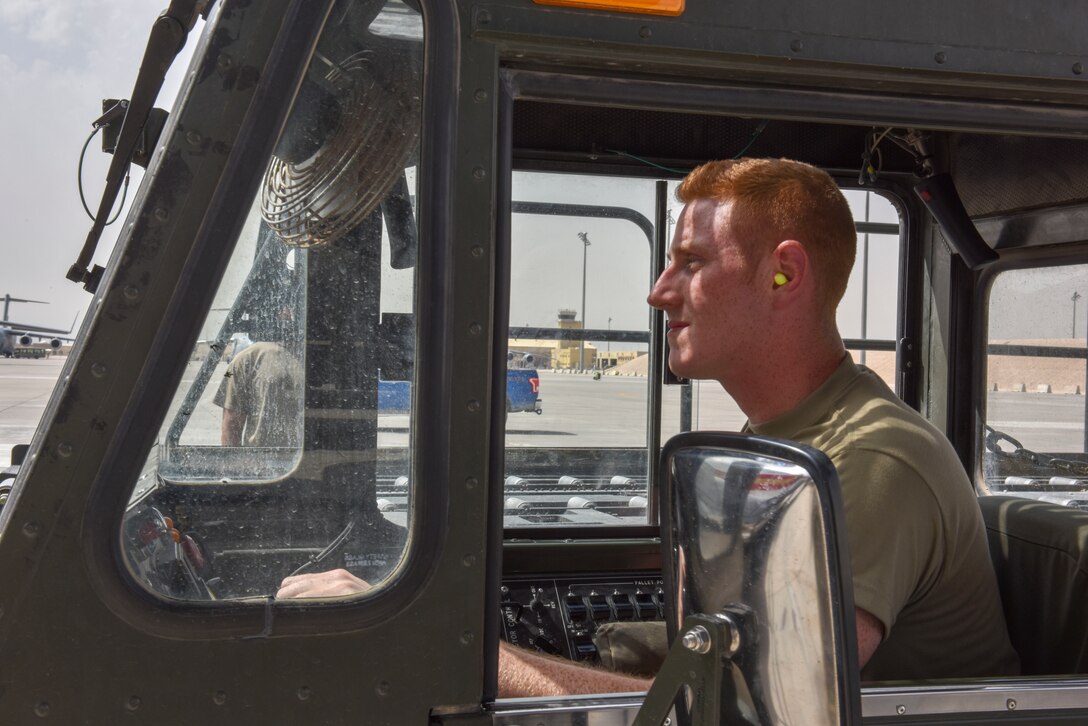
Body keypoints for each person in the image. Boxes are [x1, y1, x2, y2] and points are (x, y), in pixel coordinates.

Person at [281, 158, 1021, 694]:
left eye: (691, 262)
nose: (658, 291)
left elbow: (729, 713)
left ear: (785, 275)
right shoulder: (792, 438)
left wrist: (433, 646)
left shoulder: (869, 461)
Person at [214, 340, 304, 447]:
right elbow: (231, 424)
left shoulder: (245, 358)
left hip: (260, 457)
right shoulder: (245, 359)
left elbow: (232, 425)